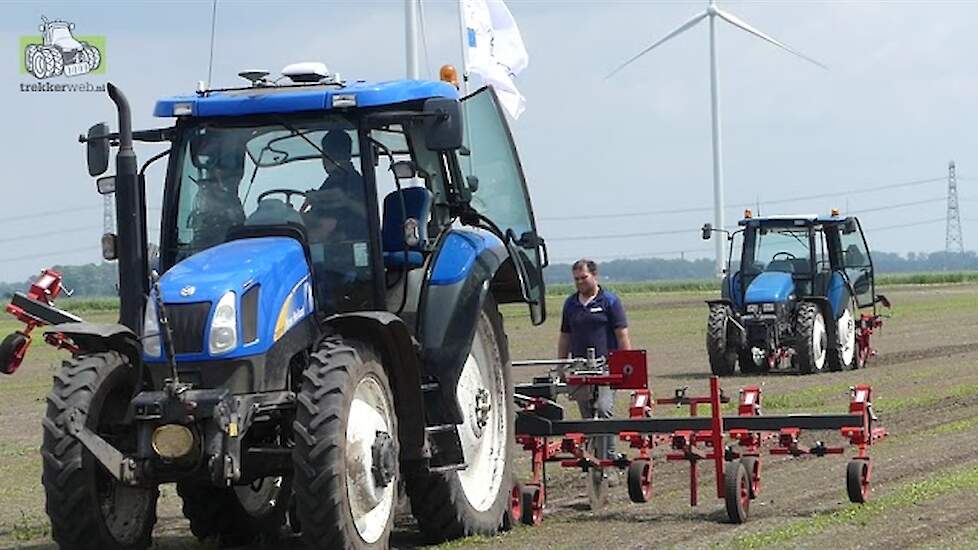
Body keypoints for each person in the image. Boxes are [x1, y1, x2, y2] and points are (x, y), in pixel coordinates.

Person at [557, 259, 632, 460]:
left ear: (594, 276)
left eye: (583, 277)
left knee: (604, 409)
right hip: (579, 367)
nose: (580, 282)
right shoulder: (570, 304)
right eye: (576, 279)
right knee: (588, 416)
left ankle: (609, 458)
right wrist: (561, 366)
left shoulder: (610, 301)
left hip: (606, 367)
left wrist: (626, 365)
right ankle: (593, 461)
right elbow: (565, 336)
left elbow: (621, 334)